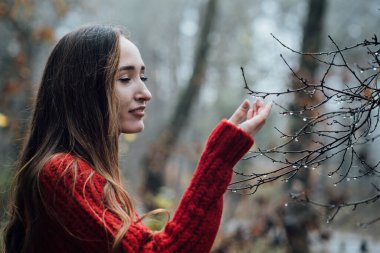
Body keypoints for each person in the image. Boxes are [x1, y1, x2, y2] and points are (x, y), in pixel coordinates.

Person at [2, 24, 272, 253]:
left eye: (142, 76)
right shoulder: (61, 174)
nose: (145, 92)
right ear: (84, 89)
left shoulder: (85, 174)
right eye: (125, 78)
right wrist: (219, 158)